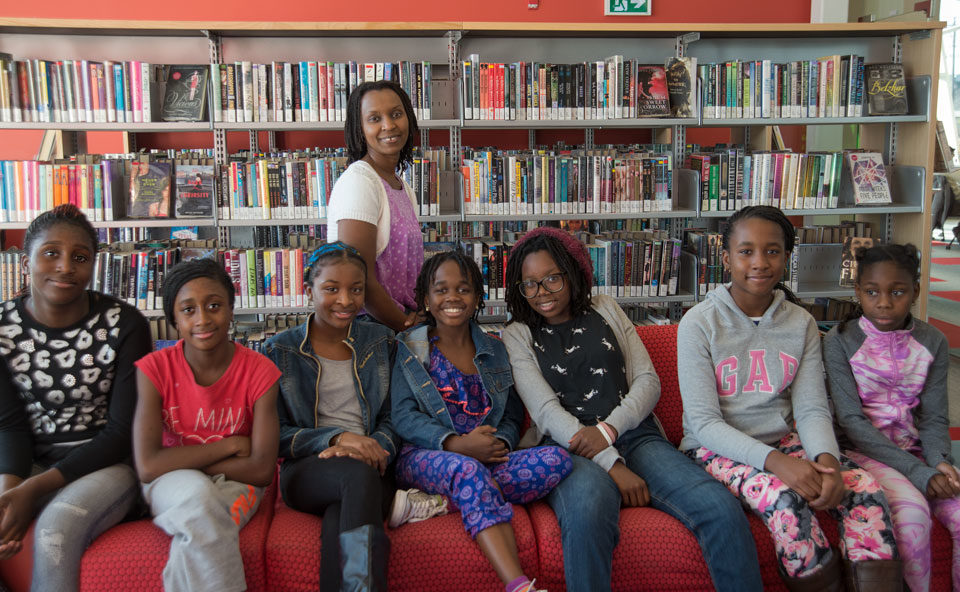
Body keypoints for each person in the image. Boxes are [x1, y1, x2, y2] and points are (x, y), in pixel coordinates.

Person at [501, 227, 763, 592]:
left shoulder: (606, 308)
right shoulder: (516, 333)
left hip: (635, 435)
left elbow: (648, 381)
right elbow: (545, 412)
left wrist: (609, 432)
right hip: (568, 448)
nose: (541, 292)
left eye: (551, 279)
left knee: (718, 507)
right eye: (528, 284)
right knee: (588, 510)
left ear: (572, 273)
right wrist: (611, 463)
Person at [677, 205, 901, 591]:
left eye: (773, 251)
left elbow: (812, 408)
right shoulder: (698, 323)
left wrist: (826, 461)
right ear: (726, 258)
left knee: (863, 489)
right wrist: (776, 464)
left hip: (783, 440)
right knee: (786, 501)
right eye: (746, 251)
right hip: (715, 449)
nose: (760, 262)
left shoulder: (802, 323)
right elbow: (704, 424)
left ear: (787, 256)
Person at [392, 250, 572, 592]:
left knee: (558, 459)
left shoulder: (496, 348)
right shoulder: (409, 348)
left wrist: (498, 443)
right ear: (426, 300)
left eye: (463, 289)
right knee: (467, 471)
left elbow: (513, 414)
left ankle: (440, 502)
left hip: (486, 460)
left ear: (477, 298)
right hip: (426, 455)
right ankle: (519, 586)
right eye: (441, 290)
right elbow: (403, 415)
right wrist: (455, 444)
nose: (452, 298)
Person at [0, 205, 151, 592]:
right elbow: (9, 425)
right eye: (51, 253)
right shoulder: (3, 328)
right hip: (28, 462)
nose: (66, 266)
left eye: (80, 257)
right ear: (25, 261)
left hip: (106, 467)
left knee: (56, 529)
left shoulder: (125, 323)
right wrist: (9, 493)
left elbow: (121, 432)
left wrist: (32, 491)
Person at [261, 241, 420, 591]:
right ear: (309, 290)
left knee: (342, 511)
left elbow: (396, 417)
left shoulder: (383, 342)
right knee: (354, 476)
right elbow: (278, 435)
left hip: (374, 466)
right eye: (331, 289)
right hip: (306, 471)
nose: (346, 300)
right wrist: (337, 439)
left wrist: (374, 446)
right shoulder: (280, 350)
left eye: (356, 290)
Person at [132, 258, 280, 592]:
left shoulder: (260, 371)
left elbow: (261, 471)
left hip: (240, 483)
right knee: (198, 500)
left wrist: (185, 456)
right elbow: (148, 466)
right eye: (188, 310)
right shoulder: (153, 369)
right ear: (173, 318)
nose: (202, 319)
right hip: (173, 481)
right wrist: (229, 446)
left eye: (214, 306)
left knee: (199, 527)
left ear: (231, 309)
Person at [825, 243, 957, 592]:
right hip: (863, 453)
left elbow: (933, 419)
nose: (884, 302)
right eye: (872, 292)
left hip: (918, 452)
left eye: (897, 292)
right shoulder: (839, 342)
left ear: (915, 291)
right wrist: (918, 473)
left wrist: (939, 462)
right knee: (913, 515)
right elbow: (851, 422)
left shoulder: (934, 342)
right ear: (858, 292)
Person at [327, 80, 423, 332]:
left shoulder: (401, 186)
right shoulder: (360, 181)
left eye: (396, 114)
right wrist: (405, 325)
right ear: (360, 128)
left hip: (399, 324)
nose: (389, 125)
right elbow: (358, 278)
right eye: (374, 118)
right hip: (370, 331)